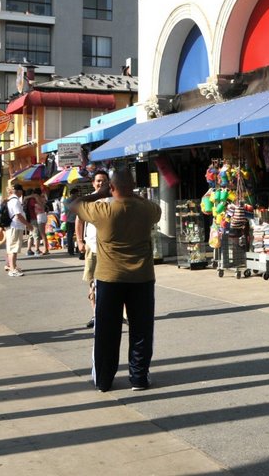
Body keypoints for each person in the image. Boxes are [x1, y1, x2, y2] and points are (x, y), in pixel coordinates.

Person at [71, 167, 161, 392]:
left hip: (109, 278)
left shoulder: (102, 210)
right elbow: (156, 209)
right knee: (141, 329)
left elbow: (72, 205)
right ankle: (138, 378)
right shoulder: (147, 210)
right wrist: (133, 194)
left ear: (111, 188)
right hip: (141, 278)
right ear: (133, 187)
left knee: (107, 331)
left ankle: (104, 380)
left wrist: (99, 193)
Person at [76, 170, 111, 329]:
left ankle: (119, 314)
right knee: (92, 282)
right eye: (98, 181)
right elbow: (79, 221)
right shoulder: (88, 200)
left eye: (104, 181)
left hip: (111, 249)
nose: (101, 183)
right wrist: (80, 241)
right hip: (92, 246)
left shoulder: (114, 199)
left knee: (114, 282)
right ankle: (96, 314)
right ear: (93, 183)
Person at [3, 185, 29, 277]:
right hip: (15, 226)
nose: (22, 193)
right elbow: (18, 215)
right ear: (18, 191)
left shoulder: (10, 200)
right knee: (13, 248)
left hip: (13, 226)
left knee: (12, 248)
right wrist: (28, 224)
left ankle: (12, 266)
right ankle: (13, 269)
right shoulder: (15, 201)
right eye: (21, 191)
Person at [23, 189, 47, 255]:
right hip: (33, 218)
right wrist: (38, 199)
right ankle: (37, 250)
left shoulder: (27, 200)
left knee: (31, 235)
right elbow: (40, 206)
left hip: (29, 219)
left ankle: (29, 250)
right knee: (36, 235)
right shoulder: (32, 200)